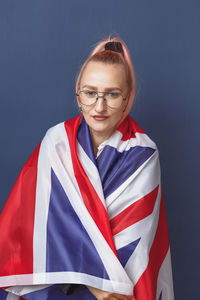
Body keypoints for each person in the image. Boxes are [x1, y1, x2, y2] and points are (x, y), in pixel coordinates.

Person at [0, 35, 174, 300]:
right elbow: (35, 225)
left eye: (112, 95)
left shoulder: (143, 152)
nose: (99, 106)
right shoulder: (56, 141)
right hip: (56, 288)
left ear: (127, 99)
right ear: (78, 95)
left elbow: (133, 239)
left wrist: (97, 278)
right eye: (90, 93)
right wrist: (94, 281)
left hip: (115, 291)